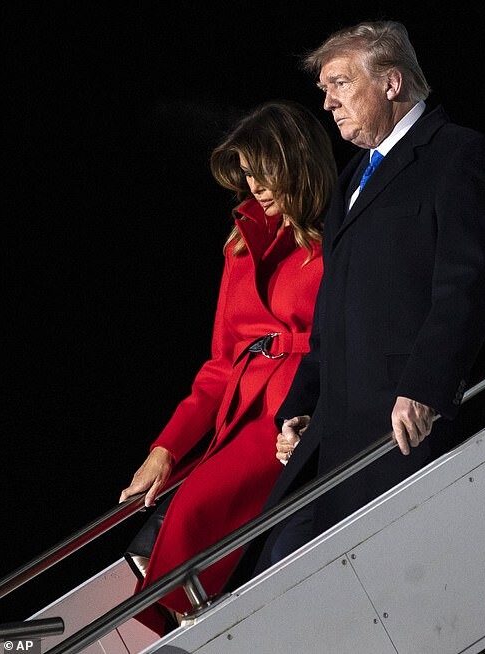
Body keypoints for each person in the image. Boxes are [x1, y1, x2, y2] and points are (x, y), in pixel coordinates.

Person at [227, 20, 485, 586]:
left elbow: (467, 287)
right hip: (333, 436)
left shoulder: (461, 156)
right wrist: (299, 406)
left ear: (391, 82)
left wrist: (426, 388)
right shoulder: (350, 180)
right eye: (324, 89)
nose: (328, 102)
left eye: (339, 84)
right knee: (273, 575)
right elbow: (332, 311)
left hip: (409, 430)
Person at [118, 99, 337, 633]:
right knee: (168, 530)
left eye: (264, 172)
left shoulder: (340, 232)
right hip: (239, 411)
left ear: (296, 162)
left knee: (194, 514)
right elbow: (220, 364)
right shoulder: (241, 244)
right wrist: (166, 448)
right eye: (247, 175)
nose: (255, 187)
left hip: (296, 407)